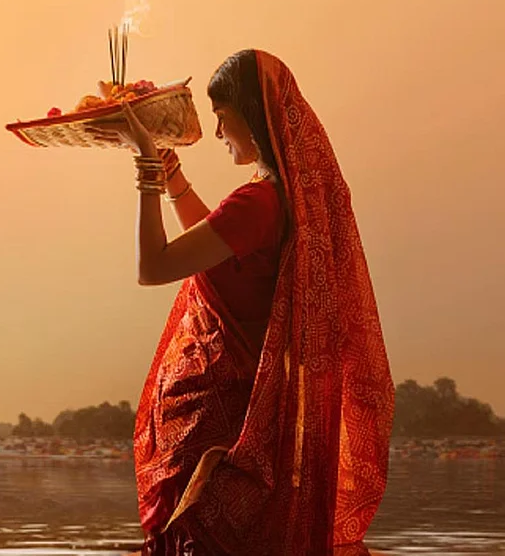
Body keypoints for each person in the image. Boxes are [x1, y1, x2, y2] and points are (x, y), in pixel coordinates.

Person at [87, 49, 395, 556]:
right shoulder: (280, 197)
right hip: (246, 404)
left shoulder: (257, 203)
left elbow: (155, 267)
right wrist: (173, 178)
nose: (216, 133)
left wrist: (145, 167)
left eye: (222, 118)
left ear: (254, 118)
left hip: (222, 419)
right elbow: (219, 258)